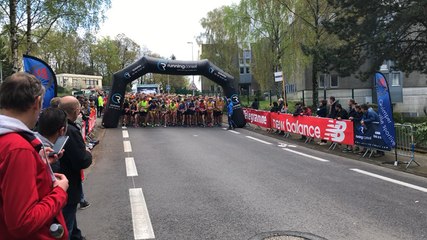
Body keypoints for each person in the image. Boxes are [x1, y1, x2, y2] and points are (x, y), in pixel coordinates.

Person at [0, 72, 69, 240]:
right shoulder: (18, 149)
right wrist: (59, 192)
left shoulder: (9, 141)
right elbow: (22, 222)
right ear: (37, 102)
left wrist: (39, 163)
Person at [59, 96, 93, 240]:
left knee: (70, 220)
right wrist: (88, 153)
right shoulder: (70, 130)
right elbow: (81, 160)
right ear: (76, 110)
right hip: (68, 182)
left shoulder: (53, 124)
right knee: (67, 222)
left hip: (58, 180)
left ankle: (77, 236)